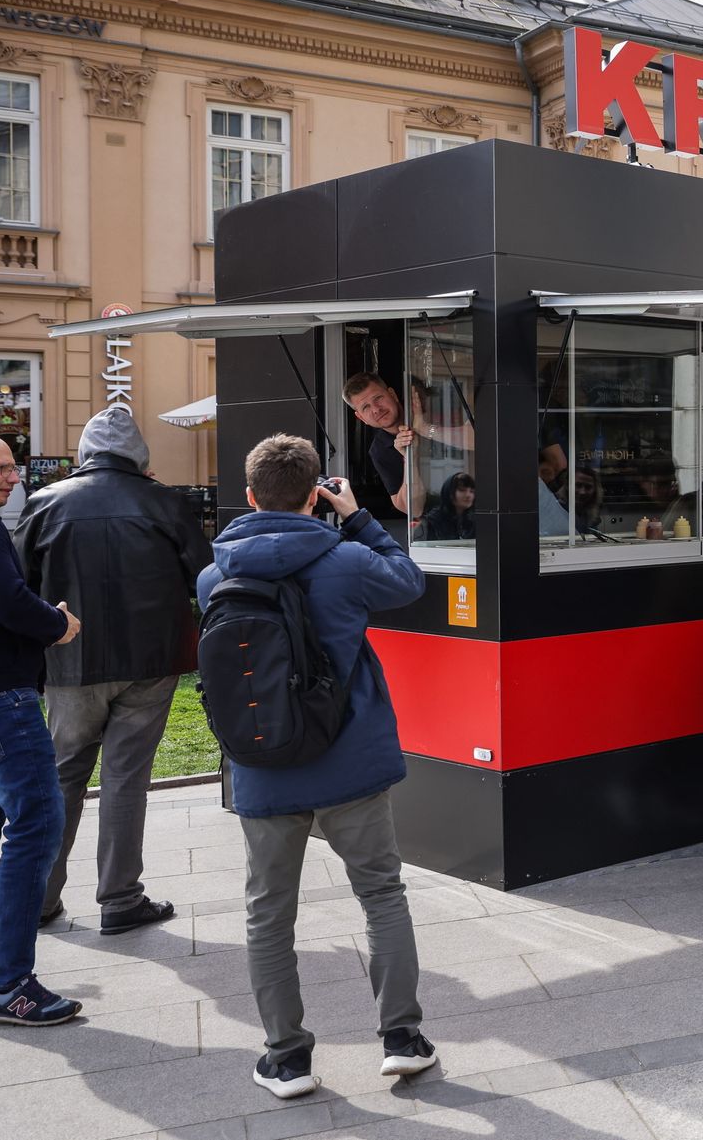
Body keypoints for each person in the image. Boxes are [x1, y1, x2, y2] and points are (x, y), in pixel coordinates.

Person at [198, 435, 435, 1099]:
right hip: (350, 761)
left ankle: (286, 1055)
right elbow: (409, 582)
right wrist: (357, 514)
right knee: (382, 895)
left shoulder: (213, 576)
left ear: (250, 496)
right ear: (314, 494)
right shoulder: (348, 558)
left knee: (268, 912)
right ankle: (402, 1040)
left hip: (263, 767)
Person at [14, 409, 208, 937]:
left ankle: (39, 899)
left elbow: (20, 588)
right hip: (153, 660)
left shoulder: (44, 503)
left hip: (68, 661)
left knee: (61, 778)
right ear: (138, 455)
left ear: (84, 452)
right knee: (126, 778)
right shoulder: (166, 502)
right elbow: (204, 575)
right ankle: (120, 898)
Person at [0, 433, 83, 1027]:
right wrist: (58, 624)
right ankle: (8, 980)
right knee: (38, 823)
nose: (13, 476)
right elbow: (6, 600)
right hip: (1, 701)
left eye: (15, 467)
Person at [342, 373, 470, 516]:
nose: (376, 409)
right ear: (361, 417)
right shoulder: (379, 450)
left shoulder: (422, 404)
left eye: (378, 398)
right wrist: (409, 458)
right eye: (365, 407)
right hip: (439, 523)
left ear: (392, 394)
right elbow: (414, 510)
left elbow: (482, 439)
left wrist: (425, 429)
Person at [419, 472, 476, 542]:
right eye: (462, 490)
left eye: (472, 491)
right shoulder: (434, 521)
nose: (468, 495)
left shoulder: (473, 520)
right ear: (449, 493)